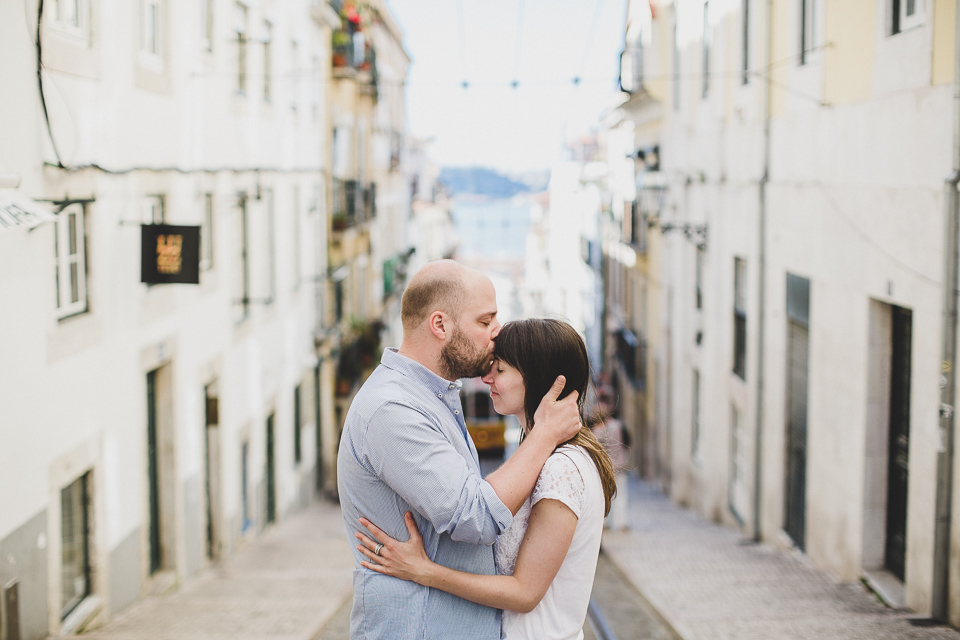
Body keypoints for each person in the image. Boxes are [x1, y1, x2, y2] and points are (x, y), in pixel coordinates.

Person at [337, 261, 583, 640]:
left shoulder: (432, 397)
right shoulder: (392, 409)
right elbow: (477, 517)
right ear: (440, 325)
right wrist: (545, 434)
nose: (497, 332)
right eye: (485, 321)